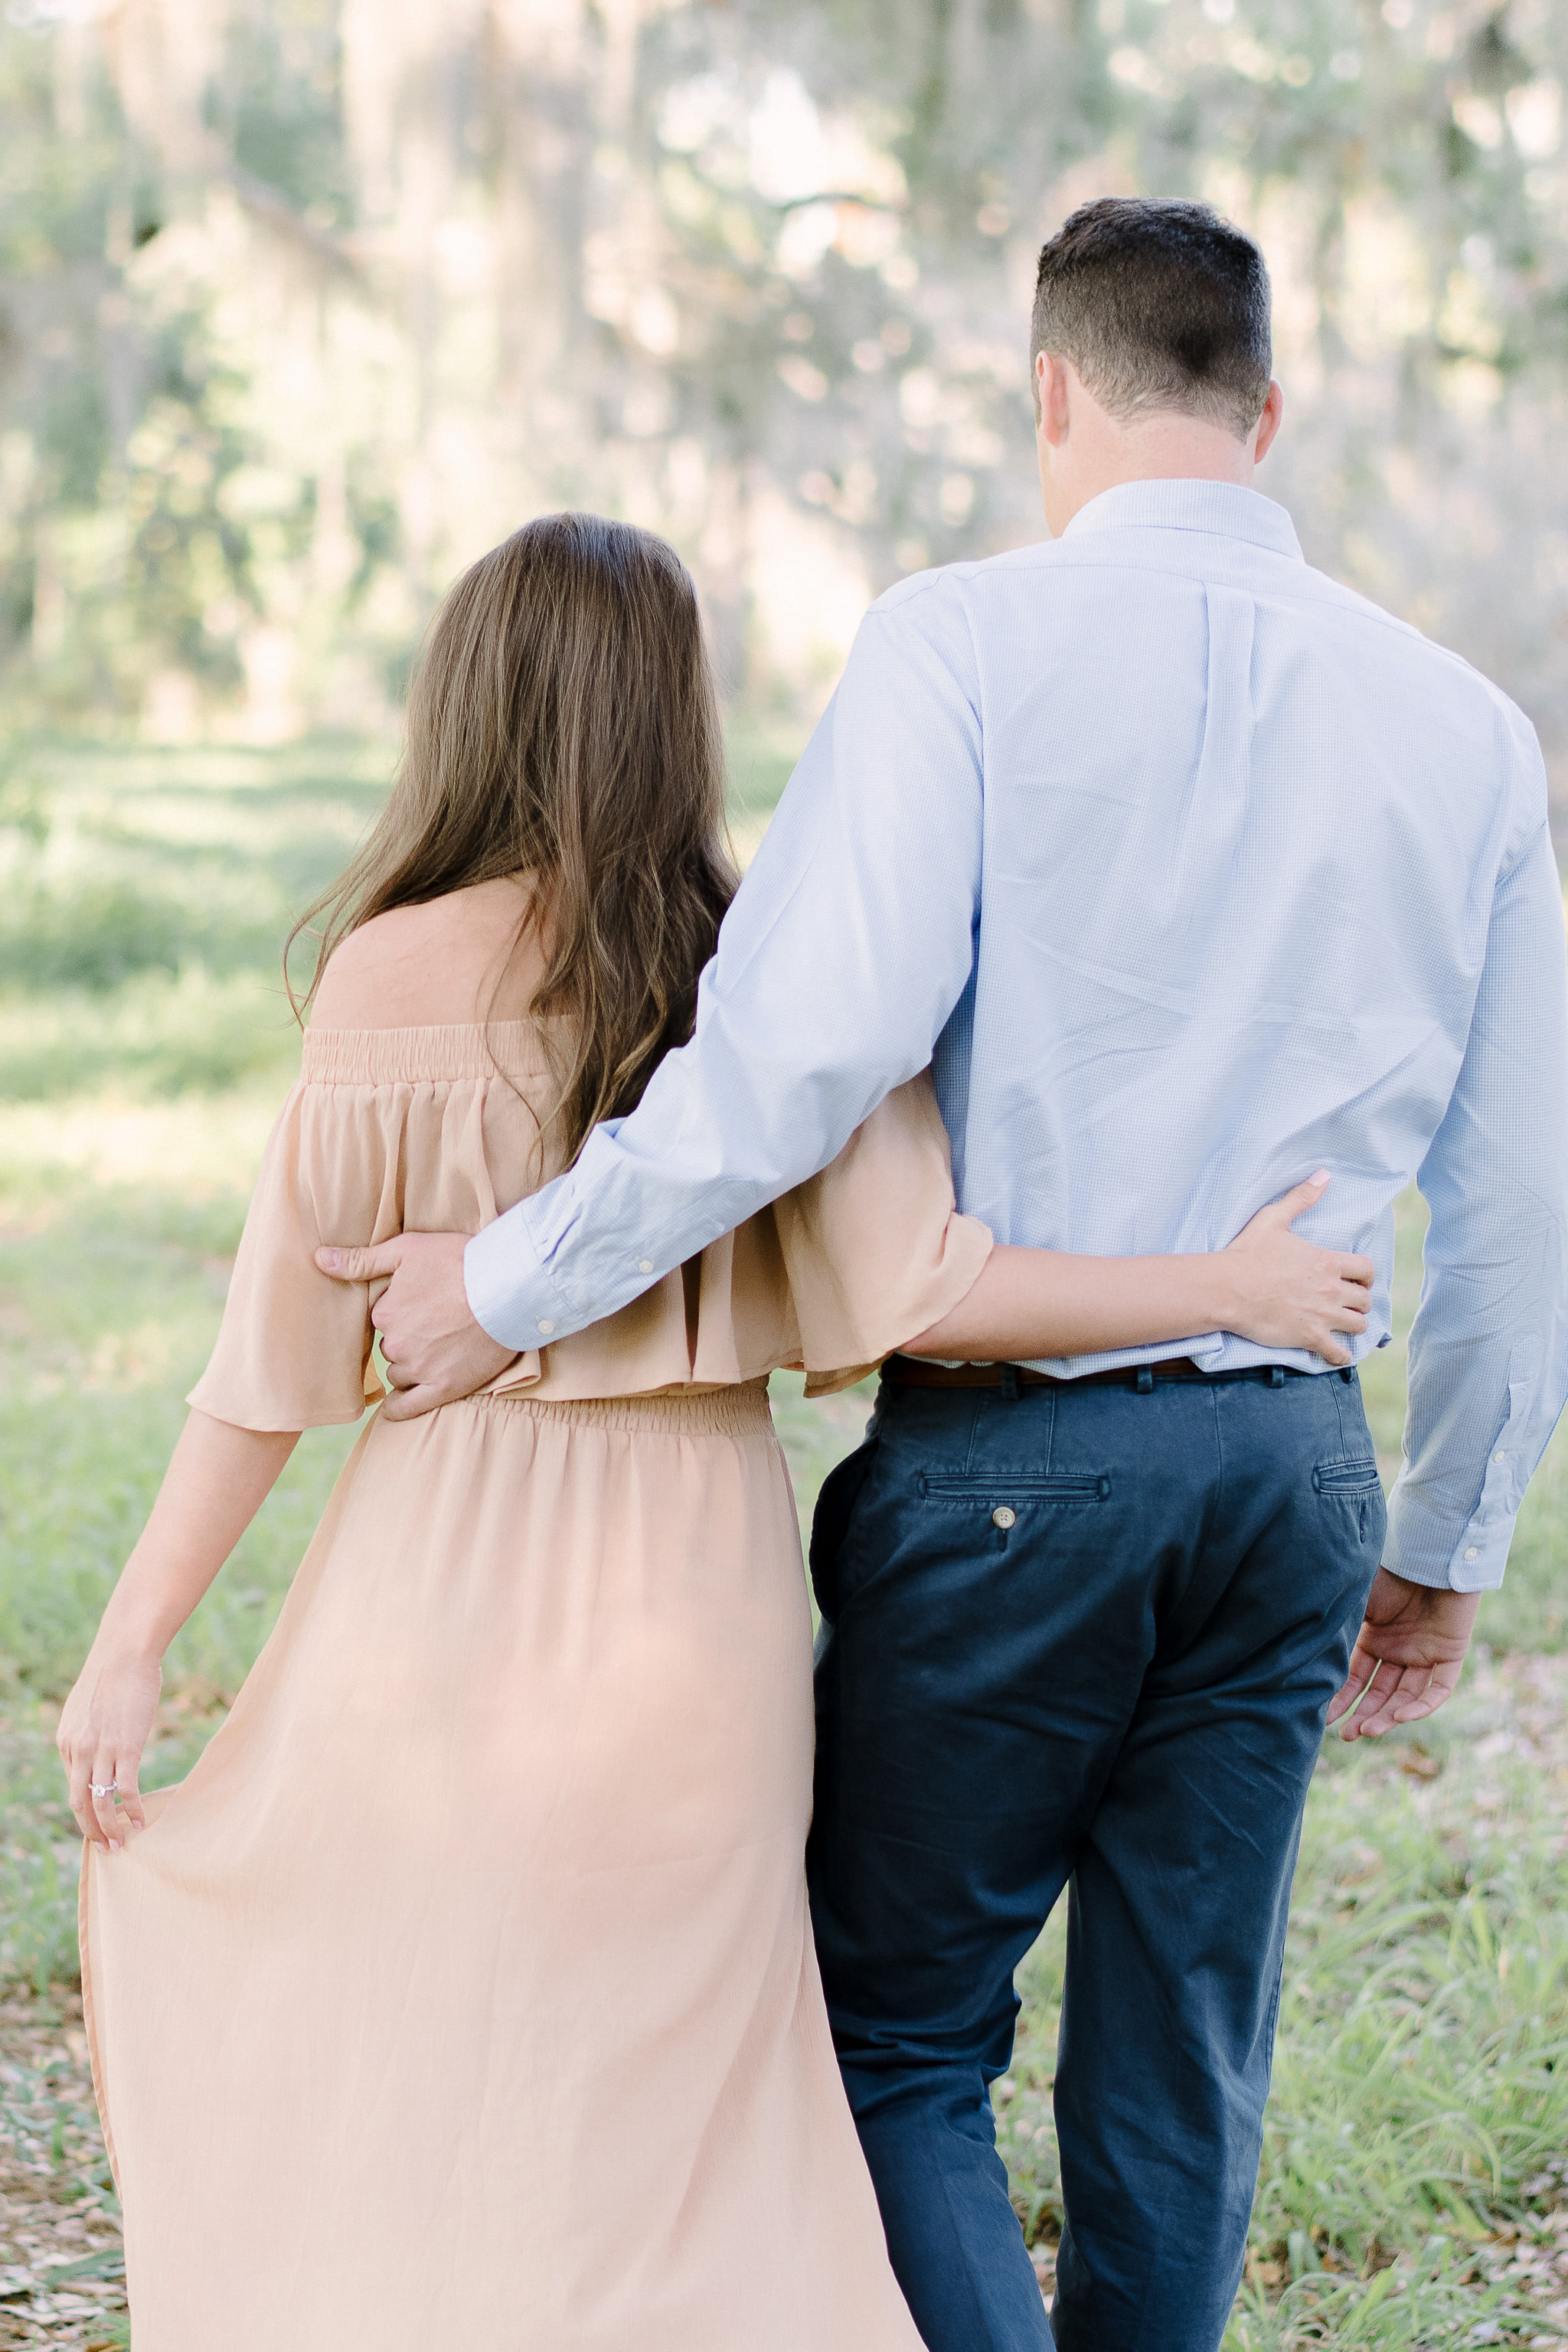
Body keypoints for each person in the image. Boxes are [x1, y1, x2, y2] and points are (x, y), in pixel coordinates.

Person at [338, 200, 1568, 2352]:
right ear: (1266, 413)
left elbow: (798, 1050)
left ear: (1048, 399)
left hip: (1014, 1475)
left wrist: (511, 1280)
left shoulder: (960, 644)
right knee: (1184, 2061)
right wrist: (1452, 1536)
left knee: (895, 2039)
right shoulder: (1466, 729)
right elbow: (1526, 1195)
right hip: (1296, 1474)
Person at [57, 511, 1367, 2352]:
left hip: (434, 1573)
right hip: (698, 1582)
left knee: (432, 2034)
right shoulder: (762, 973)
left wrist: (130, 1647)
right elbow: (929, 1282)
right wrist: (1215, 1287)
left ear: (468, 704)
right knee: (681, 2072)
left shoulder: (384, 979)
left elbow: (262, 1374)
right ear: (678, 715)